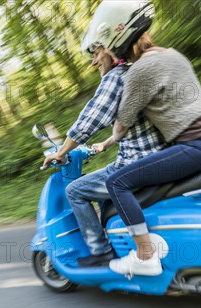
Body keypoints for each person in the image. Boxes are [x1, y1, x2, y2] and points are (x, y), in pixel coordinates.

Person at [104, 28, 201, 277]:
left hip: (199, 142)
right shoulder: (173, 55)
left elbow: (122, 123)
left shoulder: (139, 70)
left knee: (117, 182)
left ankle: (145, 256)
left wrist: (105, 74)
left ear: (119, 47)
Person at [42, 1, 165, 267]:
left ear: (110, 49)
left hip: (136, 162)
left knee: (75, 190)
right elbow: (128, 123)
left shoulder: (117, 76)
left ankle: (99, 251)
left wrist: (60, 153)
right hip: (157, 156)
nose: (94, 61)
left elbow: (89, 121)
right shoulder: (138, 70)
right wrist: (105, 144)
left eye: (96, 53)